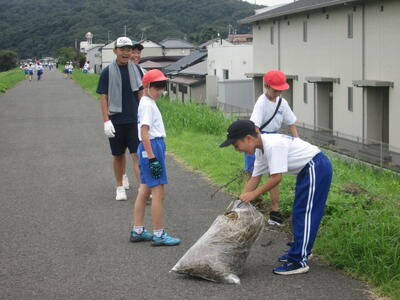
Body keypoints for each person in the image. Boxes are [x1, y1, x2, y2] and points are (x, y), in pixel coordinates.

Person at [220, 119, 332, 275]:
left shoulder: (272, 145)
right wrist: (238, 205)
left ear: (249, 139)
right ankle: (301, 250)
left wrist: (254, 194)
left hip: (316, 167)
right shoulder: (261, 150)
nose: (236, 149)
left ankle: (299, 260)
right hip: (307, 170)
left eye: (236, 145)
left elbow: (276, 178)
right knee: (300, 211)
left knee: (305, 213)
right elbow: (255, 178)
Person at [130, 69, 181, 246]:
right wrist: (152, 158)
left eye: (162, 87)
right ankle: (159, 234)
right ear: (146, 86)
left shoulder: (147, 101)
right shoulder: (147, 104)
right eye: (157, 87)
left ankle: (138, 230)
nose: (160, 91)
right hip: (151, 146)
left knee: (144, 190)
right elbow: (144, 132)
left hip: (149, 147)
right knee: (158, 192)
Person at [245, 70, 299, 227]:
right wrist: (259, 146)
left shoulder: (282, 103)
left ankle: (275, 211)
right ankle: (244, 207)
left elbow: (291, 123)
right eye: (275, 89)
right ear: (266, 86)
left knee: (274, 175)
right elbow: (255, 127)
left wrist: (296, 141)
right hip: (258, 139)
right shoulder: (261, 102)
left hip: (274, 139)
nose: (278, 92)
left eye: (280, 89)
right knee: (253, 175)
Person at [96, 37, 143, 201]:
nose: (126, 52)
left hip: (134, 120)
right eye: (122, 49)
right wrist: (106, 120)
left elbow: (140, 94)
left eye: (128, 49)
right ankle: (119, 186)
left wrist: (144, 117)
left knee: (137, 155)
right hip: (116, 120)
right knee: (118, 155)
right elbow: (103, 97)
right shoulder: (107, 72)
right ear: (115, 51)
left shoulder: (136, 70)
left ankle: (142, 190)